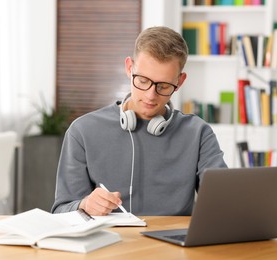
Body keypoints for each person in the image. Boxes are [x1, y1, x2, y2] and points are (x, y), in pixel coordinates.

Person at [51, 26, 227, 216]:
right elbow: (61, 211)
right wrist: (84, 205)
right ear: (129, 68)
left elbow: (224, 203)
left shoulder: (198, 133)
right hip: (111, 243)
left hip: (177, 244)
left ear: (180, 81)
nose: (151, 96)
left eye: (164, 85)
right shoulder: (82, 131)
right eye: (143, 81)